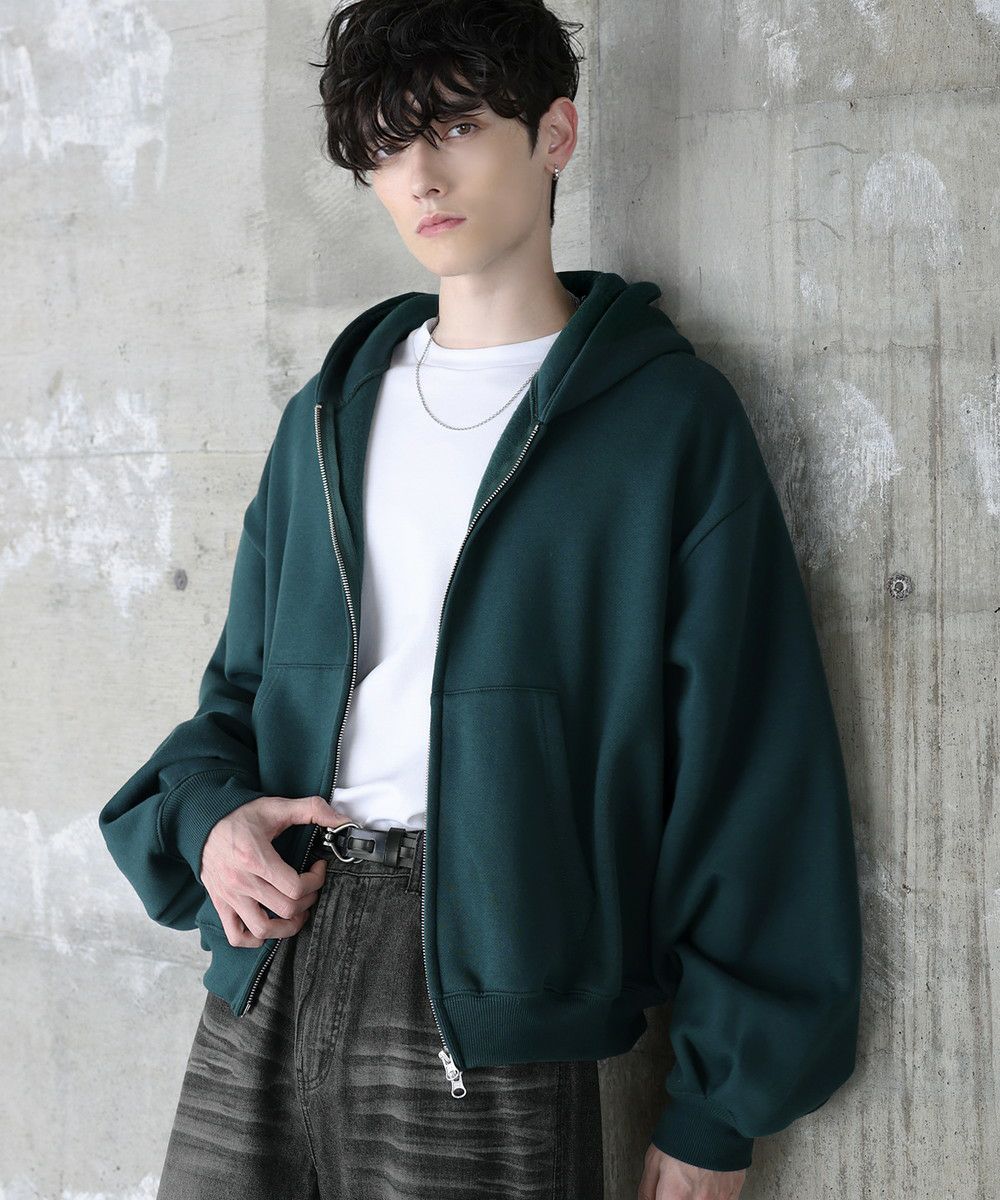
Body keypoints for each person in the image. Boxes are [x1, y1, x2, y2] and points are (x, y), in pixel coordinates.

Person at [98, 2, 864, 1198]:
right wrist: (208, 821)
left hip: (497, 995)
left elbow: (752, 772)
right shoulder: (327, 417)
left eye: (455, 126)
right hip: (270, 967)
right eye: (386, 146)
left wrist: (719, 1107)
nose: (421, 175)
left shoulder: (665, 425)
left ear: (554, 132)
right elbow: (237, 702)